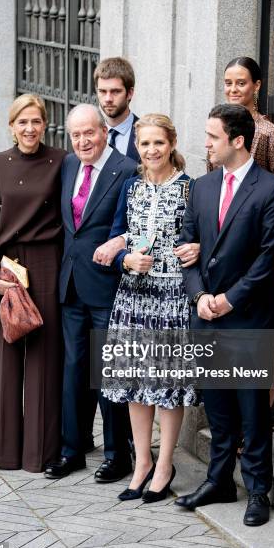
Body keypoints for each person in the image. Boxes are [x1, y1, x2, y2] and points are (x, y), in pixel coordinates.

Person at [175, 104, 274, 526]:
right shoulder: (202, 188)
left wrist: (228, 300)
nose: (205, 143)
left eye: (212, 136)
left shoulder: (271, 190)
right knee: (219, 408)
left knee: (252, 411)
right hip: (206, 314)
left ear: (237, 141)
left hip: (249, 318)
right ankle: (219, 481)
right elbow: (187, 248)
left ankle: (258, 489)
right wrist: (200, 295)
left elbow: (268, 260)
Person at [101, 114, 198, 503]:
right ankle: (142, 461)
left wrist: (199, 249)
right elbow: (115, 235)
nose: (152, 150)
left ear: (172, 143)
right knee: (135, 383)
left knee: (167, 387)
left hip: (173, 298)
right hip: (133, 296)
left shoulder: (192, 188)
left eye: (158, 143)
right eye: (144, 144)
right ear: (137, 147)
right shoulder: (130, 187)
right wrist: (125, 257)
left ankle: (165, 464)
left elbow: (204, 237)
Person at [44, 104, 137, 482]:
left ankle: (117, 455)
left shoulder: (127, 171)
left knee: (107, 372)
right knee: (73, 369)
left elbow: (138, 227)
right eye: (76, 135)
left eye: (89, 133)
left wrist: (119, 244)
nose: (83, 141)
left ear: (103, 132)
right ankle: (73, 450)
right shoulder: (68, 165)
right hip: (70, 286)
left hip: (107, 287)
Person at [0, 93, 66, 472]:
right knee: (4, 357)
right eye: (22, 122)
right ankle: (2, 450)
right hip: (7, 268)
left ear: (45, 123)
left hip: (48, 261)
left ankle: (40, 454)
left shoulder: (62, 161)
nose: (30, 128)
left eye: (36, 121)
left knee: (45, 359)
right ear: (11, 126)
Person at [222, 56, 274, 402]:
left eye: (241, 82)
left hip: (263, 247)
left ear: (257, 86)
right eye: (229, 82)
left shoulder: (266, 133)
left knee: (268, 337)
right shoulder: (221, 125)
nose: (234, 89)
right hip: (229, 247)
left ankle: (259, 421)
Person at [94, 57, 140, 161]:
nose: (108, 99)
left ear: (129, 93)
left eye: (115, 91)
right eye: (102, 91)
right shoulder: (91, 133)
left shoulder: (146, 133)